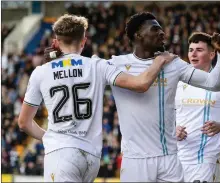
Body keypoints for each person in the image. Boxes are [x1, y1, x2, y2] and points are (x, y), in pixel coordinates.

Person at [44, 12, 220, 182]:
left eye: (162, 29)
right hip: (135, 161)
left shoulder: (174, 64)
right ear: (138, 35)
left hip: (170, 158)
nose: (162, 33)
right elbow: (78, 72)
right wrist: (57, 57)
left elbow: (215, 84)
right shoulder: (116, 64)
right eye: (155, 29)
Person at [18, 14, 177, 182]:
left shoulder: (41, 72)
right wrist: (159, 61)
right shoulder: (98, 65)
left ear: (56, 42)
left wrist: (52, 138)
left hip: (61, 154)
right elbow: (141, 84)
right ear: (83, 41)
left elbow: (24, 123)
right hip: (91, 157)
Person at [175, 32, 220, 182]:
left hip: (205, 163)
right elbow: (164, 120)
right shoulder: (178, 83)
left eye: (199, 50)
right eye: (190, 50)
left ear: (212, 54)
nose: (193, 54)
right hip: (175, 161)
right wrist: (172, 130)